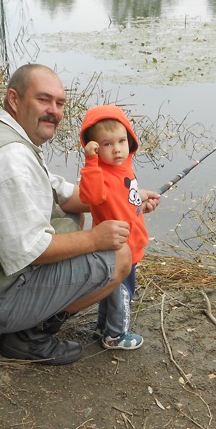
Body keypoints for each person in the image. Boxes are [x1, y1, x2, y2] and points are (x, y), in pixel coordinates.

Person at [0, 64, 141, 365]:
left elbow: (67, 194)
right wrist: (95, 239)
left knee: (70, 211)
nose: (54, 111)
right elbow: (30, 250)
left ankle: (30, 321)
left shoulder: (12, 136)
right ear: (14, 99)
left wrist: (129, 196)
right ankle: (29, 335)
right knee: (120, 256)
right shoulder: (7, 157)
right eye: (44, 100)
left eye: (60, 103)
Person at [79, 105, 161, 350]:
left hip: (131, 242)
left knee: (111, 289)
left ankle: (103, 328)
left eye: (122, 141)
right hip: (117, 248)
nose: (116, 149)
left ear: (130, 141)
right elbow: (91, 196)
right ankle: (116, 335)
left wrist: (141, 202)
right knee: (122, 292)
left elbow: (124, 198)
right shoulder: (99, 173)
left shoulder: (124, 166)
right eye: (106, 144)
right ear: (94, 146)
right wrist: (91, 162)